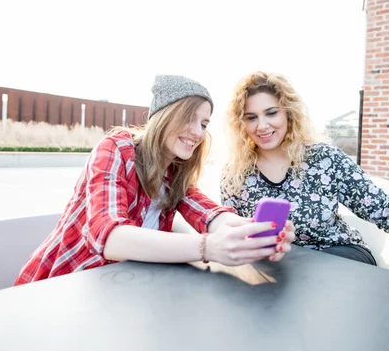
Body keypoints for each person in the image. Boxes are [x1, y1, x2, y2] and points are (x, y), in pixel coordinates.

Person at [220, 71, 389, 294]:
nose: (263, 125)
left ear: (288, 113)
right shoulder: (235, 175)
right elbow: (231, 237)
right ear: (240, 123)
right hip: (280, 274)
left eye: (271, 113)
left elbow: (388, 209)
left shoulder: (324, 159)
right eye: (251, 117)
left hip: (340, 258)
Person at [15, 75, 295, 285]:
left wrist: (254, 232)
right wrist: (209, 247)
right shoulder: (117, 147)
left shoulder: (175, 172)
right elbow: (110, 238)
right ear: (164, 116)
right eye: (190, 118)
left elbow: (211, 215)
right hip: (59, 286)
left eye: (204, 123)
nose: (198, 132)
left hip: (118, 290)